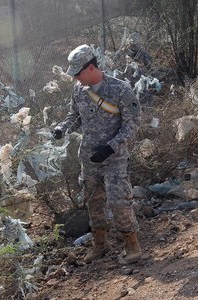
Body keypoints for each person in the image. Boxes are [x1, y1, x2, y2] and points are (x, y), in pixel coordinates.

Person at [52, 44, 142, 264]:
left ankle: (133, 246)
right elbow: (74, 115)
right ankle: (100, 245)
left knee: (118, 200)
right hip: (89, 158)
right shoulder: (79, 91)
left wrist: (111, 146)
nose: (75, 79)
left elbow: (132, 124)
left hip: (114, 157)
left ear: (90, 67)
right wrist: (62, 129)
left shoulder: (120, 90)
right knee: (94, 202)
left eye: (77, 73)